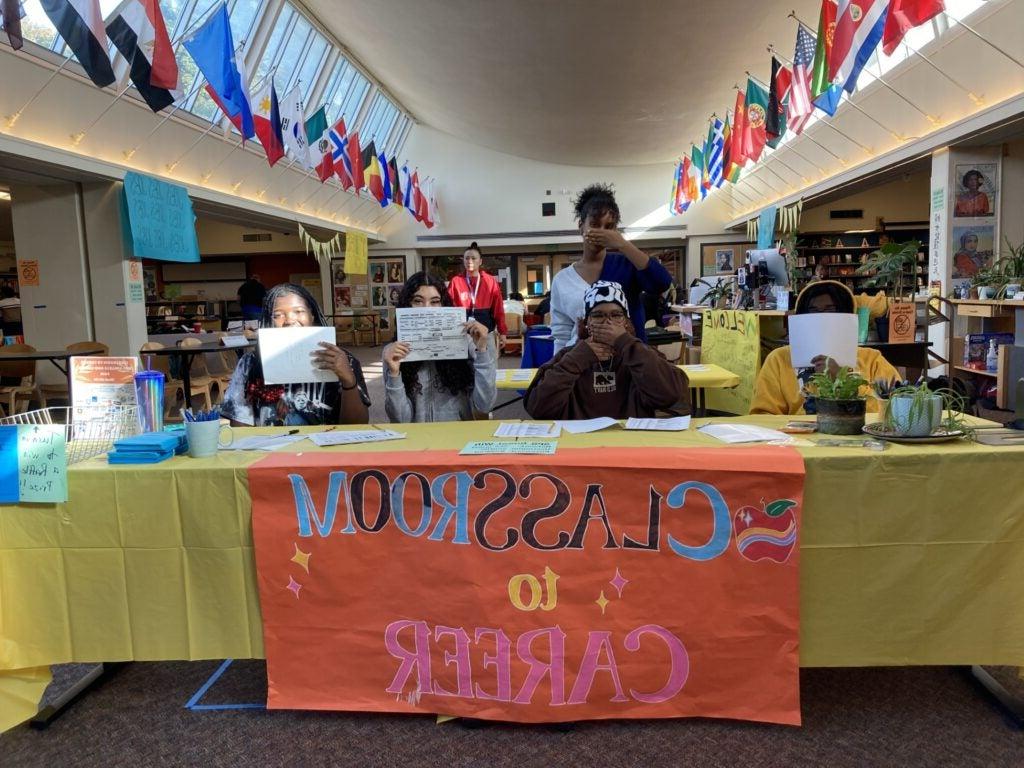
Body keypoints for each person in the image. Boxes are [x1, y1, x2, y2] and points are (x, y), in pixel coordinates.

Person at [524, 281, 689, 420]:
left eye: (616, 315)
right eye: (598, 315)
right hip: (581, 447)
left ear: (625, 322)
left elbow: (671, 395)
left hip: (631, 446)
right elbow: (538, 408)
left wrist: (626, 344)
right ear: (586, 322)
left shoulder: (641, 353)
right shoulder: (568, 356)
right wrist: (578, 359)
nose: (607, 323)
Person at [221, 283, 369, 426]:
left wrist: (348, 380)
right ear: (268, 320)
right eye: (278, 315)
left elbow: (357, 425)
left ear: (312, 316)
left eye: (299, 311)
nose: (290, 320)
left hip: (326, 447)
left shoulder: (343, 360)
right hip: (273, 447)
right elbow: (241, 426)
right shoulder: (251, 363)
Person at [550, 183, 672, 352]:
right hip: (583, 365)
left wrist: (622, 244)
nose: (602, 232)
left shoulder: (627, 265)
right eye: (594, 224)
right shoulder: (562, 280)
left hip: (628, 363)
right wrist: (560, 368)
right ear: (581, 226)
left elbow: (662, 282)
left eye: (609, 227)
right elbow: (562, 333)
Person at [750, 281, 899, 416]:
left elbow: (894, 410)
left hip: (857, 442)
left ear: (845, 315)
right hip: (798, 442)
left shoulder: (871, 360)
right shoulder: (779, 359)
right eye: (813, 311)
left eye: (830, 310)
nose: (821, 318)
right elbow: (763, 416)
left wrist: (842, 379)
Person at [383, 272, 497, 422]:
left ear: (444, 305)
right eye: (418, 301)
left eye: (435, 301)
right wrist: (394, 373)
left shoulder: (468, 343)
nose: (427, 309)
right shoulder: (393, 352)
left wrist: (482, 351)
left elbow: (484, 406)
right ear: (407, 305)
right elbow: (400, 420)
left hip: (456, 437)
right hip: (416, 441)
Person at [447, 242, 507, 349]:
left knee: (487, 363)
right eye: (466, 258)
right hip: (462, 334)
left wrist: (502, 332)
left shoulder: (490, 281)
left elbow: (498, 308)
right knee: (464, 366)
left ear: (480, 261)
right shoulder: (456, 282)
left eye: (473, 258)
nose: (469, 261)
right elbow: (447, 307)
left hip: (486, 333)